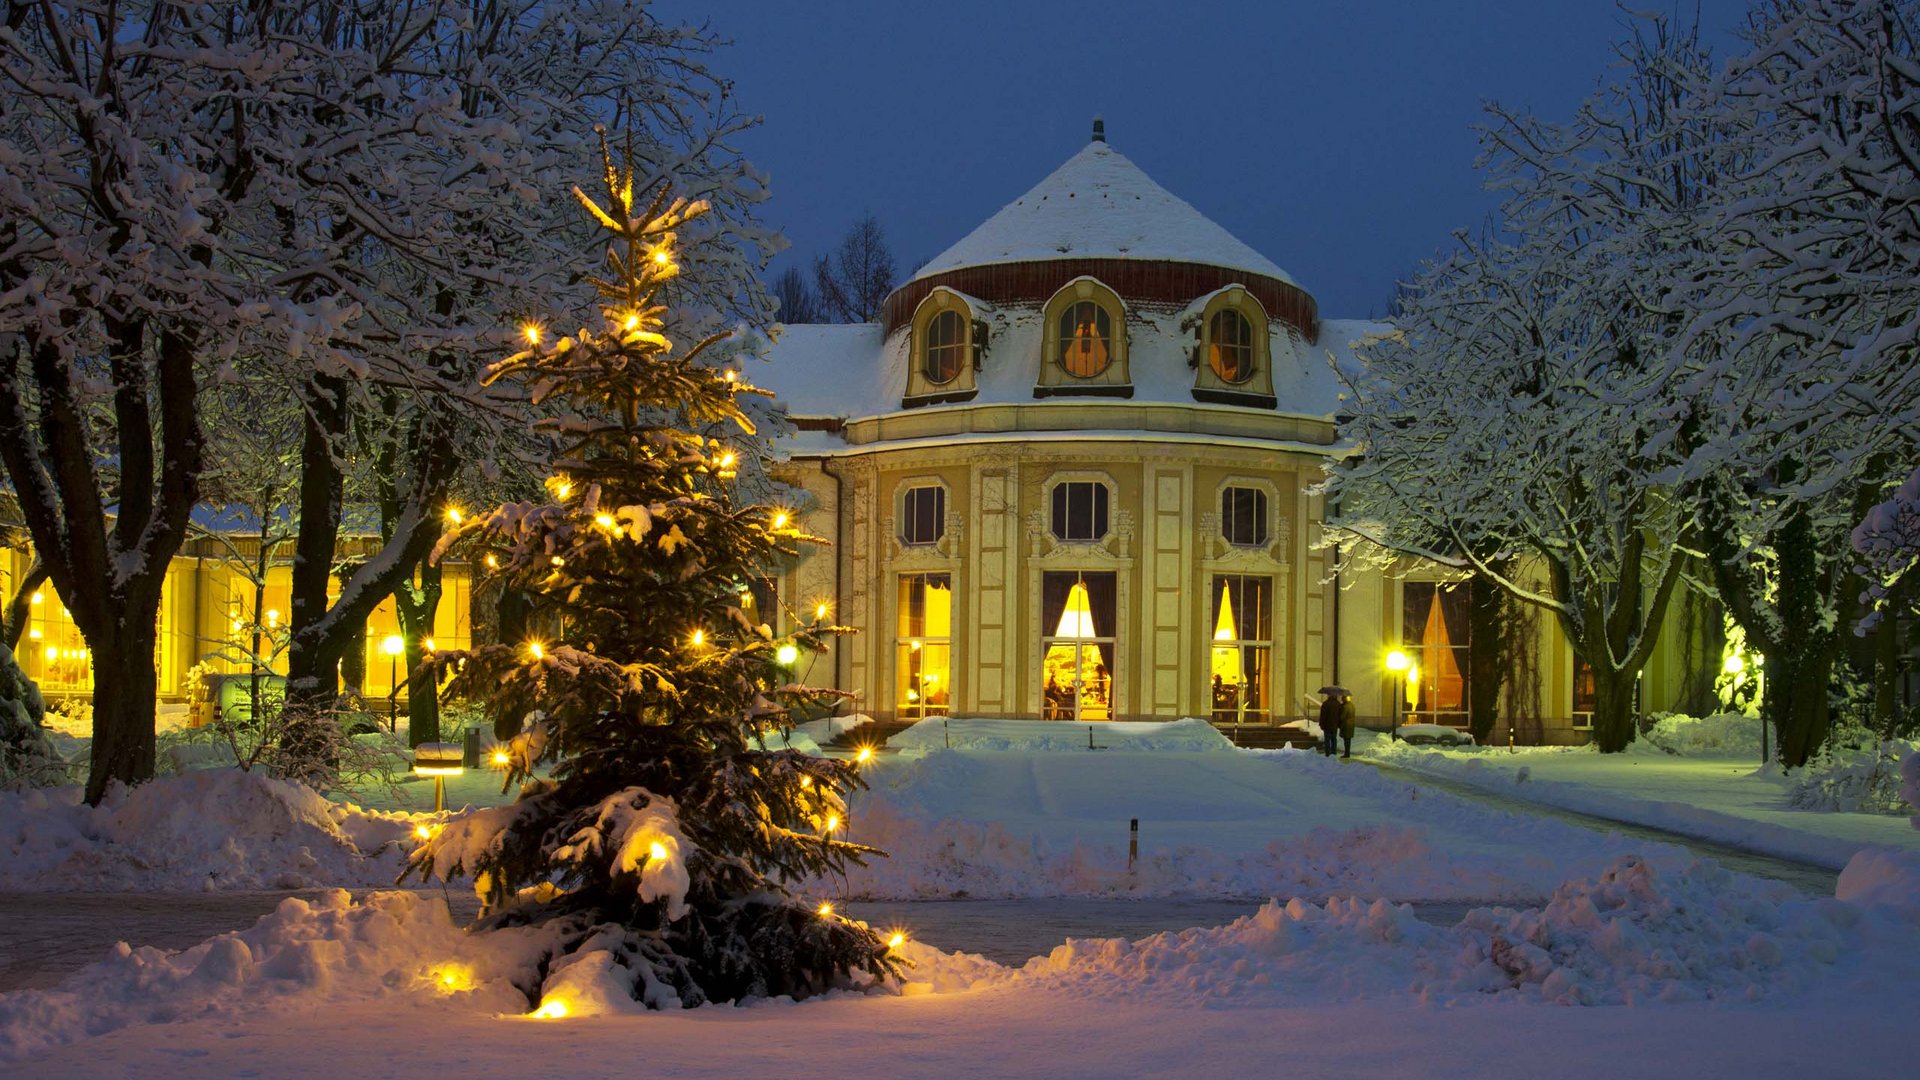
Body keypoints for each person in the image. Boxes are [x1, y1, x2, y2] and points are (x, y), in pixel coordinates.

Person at [1318, 691, 1342, 757]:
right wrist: (1339, 724)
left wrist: (1321, 724)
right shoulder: (1338, 704)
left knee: (1327, 739)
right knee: (1334, 738)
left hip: (1327, 725)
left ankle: (1327, 753)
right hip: (1335, 725)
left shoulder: (1325, 704)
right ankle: (1334, 752)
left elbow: (1322, 715)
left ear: (1329, 696)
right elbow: (1340, 715)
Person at [1339, 690, 1358, 759]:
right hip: (1351, 725)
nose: (1341, 700)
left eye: (1342, 699)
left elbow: (1342, 716)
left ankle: (1346, 754)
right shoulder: (1352, 705)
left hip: (1346, 725)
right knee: (1348, 740)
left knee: (1346, 741)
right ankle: (1347, 753)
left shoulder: (1345, 707)